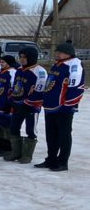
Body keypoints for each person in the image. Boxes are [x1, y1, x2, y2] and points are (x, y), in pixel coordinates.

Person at [37, 41, 84, 172]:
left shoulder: (74, 64)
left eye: (59, 52)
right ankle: (51, 159)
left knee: (64, 135)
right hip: (50, 106)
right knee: (51, 134)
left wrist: (69, 104)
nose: (56, 54)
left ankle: (62, 162)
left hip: (63, 107)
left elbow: (76, 86)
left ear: (68, 53)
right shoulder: (57, 65)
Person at [2, 46, 47, 164]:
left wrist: (27, 102)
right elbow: (15, 86)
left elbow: (39, 90)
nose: (21, 59)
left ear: (31, 58)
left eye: (24, 57)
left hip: (31, 106)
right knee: (14, 127)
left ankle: (27, 155)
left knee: (30, 129)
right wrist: (11, 99)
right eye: (20, 57)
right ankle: (15, 152)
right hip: (17, 105)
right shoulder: (20, 70)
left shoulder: (39, 71)